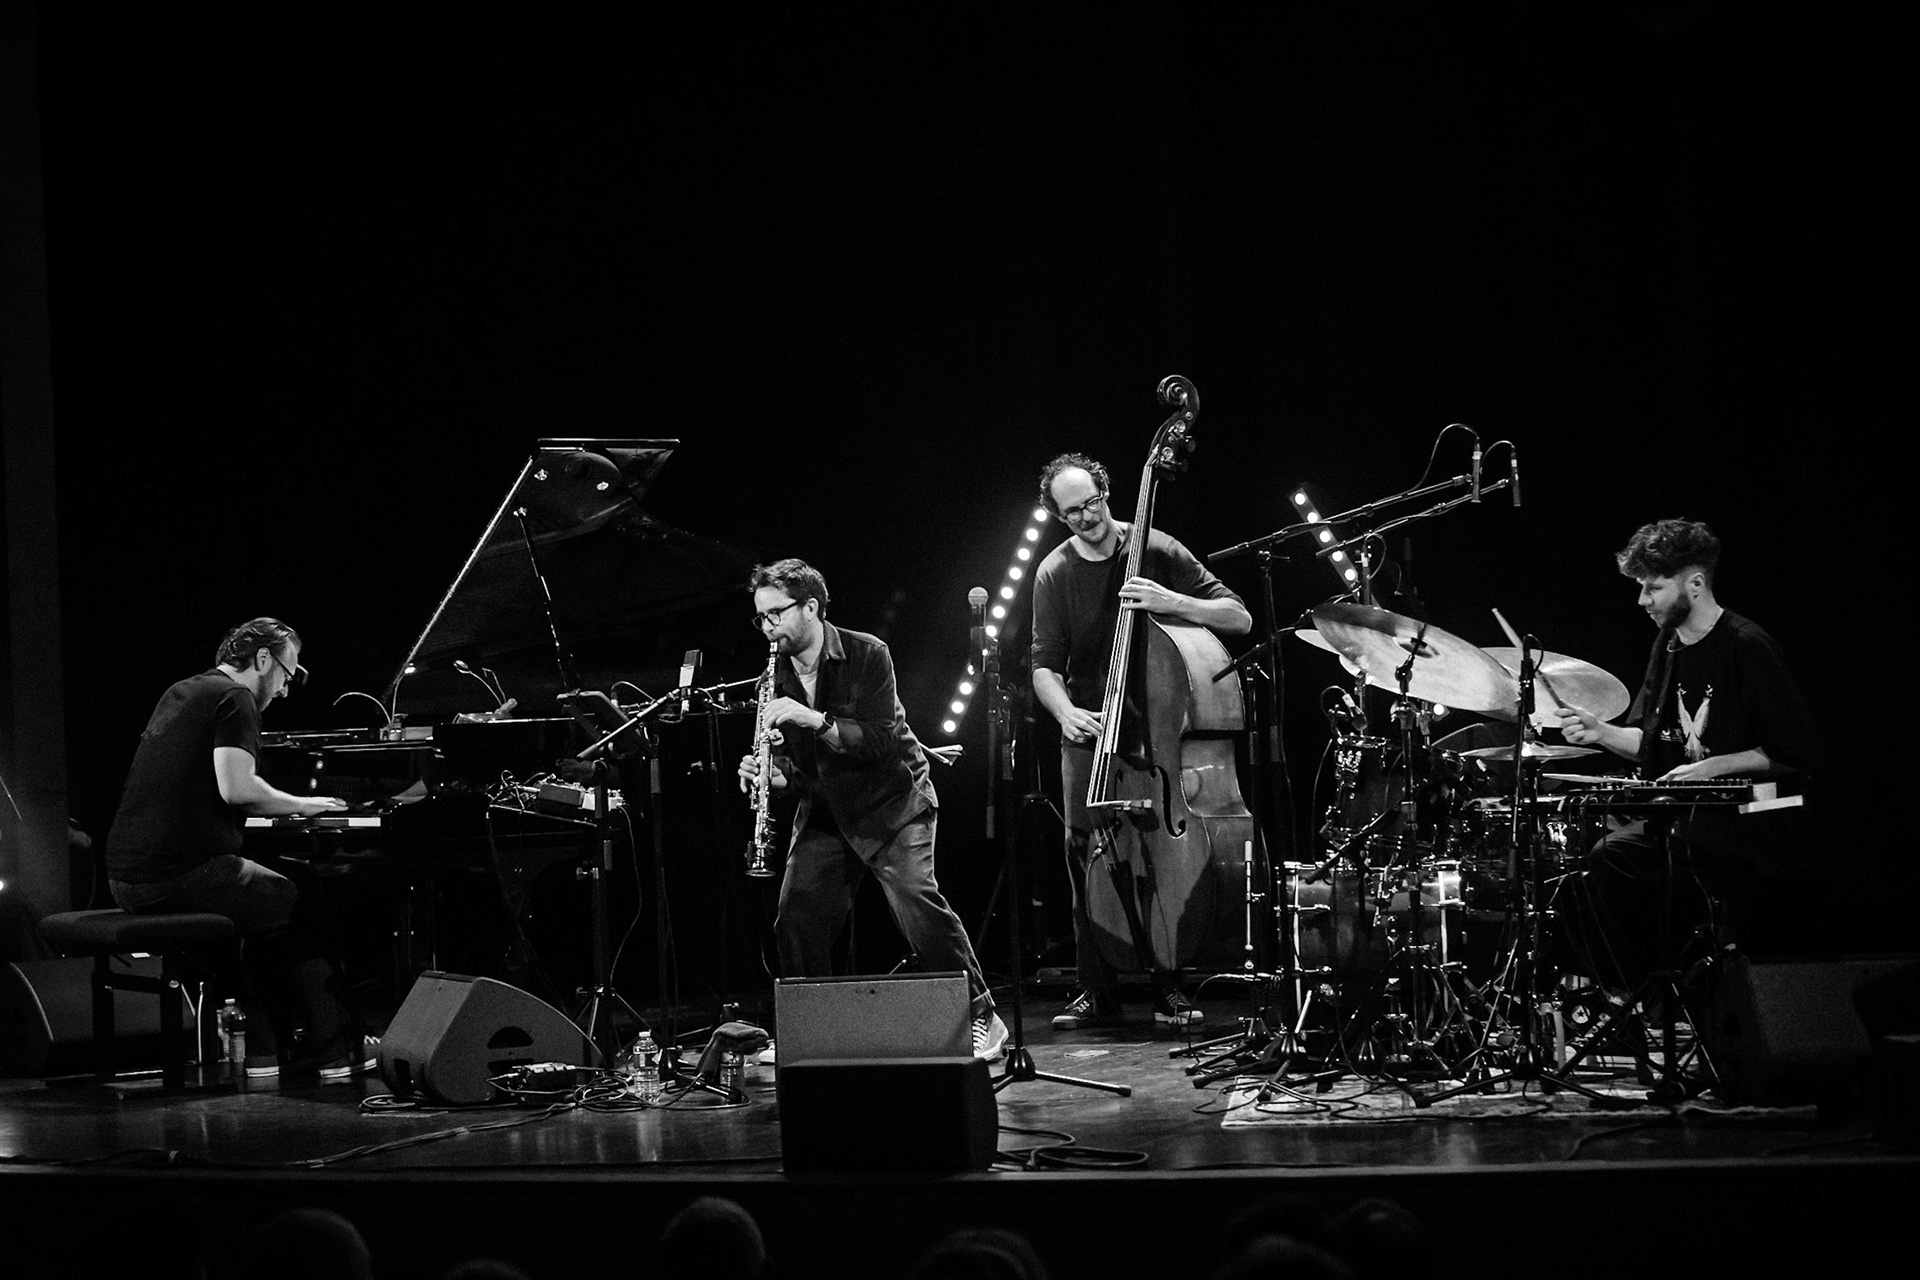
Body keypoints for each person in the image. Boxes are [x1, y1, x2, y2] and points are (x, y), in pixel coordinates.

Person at [736, 560, 1008, 1061]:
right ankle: (811, 1029)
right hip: (827, 812)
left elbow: (880, 744)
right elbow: (800, 774)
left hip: (892, 803)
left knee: (915, 900)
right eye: (761, 618)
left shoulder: (866, 654)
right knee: (796, 916)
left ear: (811, 607)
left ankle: (981, 1013)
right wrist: (775, 778)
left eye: (776, 614)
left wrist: (814, 719)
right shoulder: (770, 683)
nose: (768, 628)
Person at [1030, 453, 1252, 1030]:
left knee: (1161, 851)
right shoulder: (1054, 572)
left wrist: (1173, 602)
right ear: (1057, 514)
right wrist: (1064, 713)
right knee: (1085, 851)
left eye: (1093, 503)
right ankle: (1093, 986)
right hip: (1091, 732)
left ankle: (1169, 983)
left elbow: (1238, 617)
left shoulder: (1156, 548)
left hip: (1161, 733)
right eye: (1071, 510)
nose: (1086, 517)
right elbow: (1043, 664)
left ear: (1108, 491)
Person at [104, 618, 376, 1079]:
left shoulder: (185, 691)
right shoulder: (237, 698)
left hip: (126, 877)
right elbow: (236, 789)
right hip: (176, 877)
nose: (287, 691)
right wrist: (303, 804)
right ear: (264, 659)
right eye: (288, 676)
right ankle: (336, 1050)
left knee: (263, 904)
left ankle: (266, 1049)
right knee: (297, 899)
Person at [1555, 519, 1823, 980]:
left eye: (1653, 588)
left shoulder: (1746, 646)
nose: (1643, 601)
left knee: (1617, 857)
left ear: (1695, 583)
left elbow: (1794, 752)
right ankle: (1636, 992)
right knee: (1589, 861)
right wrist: (1599, 731)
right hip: (1695, 815)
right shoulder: (1669, 646)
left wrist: (1715, 768)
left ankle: (1660, 984)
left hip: (1754, 819)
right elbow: (1652, 743)